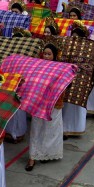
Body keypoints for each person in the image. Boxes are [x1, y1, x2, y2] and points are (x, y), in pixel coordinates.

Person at [26, 36, 64, 171]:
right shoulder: (38, 66)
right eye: (45, 53)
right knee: (36, 129)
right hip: (39, 102)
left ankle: (46, 154)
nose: (46, 56)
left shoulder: (61, 68)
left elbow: (63, 85)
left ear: (54, 55)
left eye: (49, 54)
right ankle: (32, 157)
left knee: (50, 129)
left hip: (54, 103)